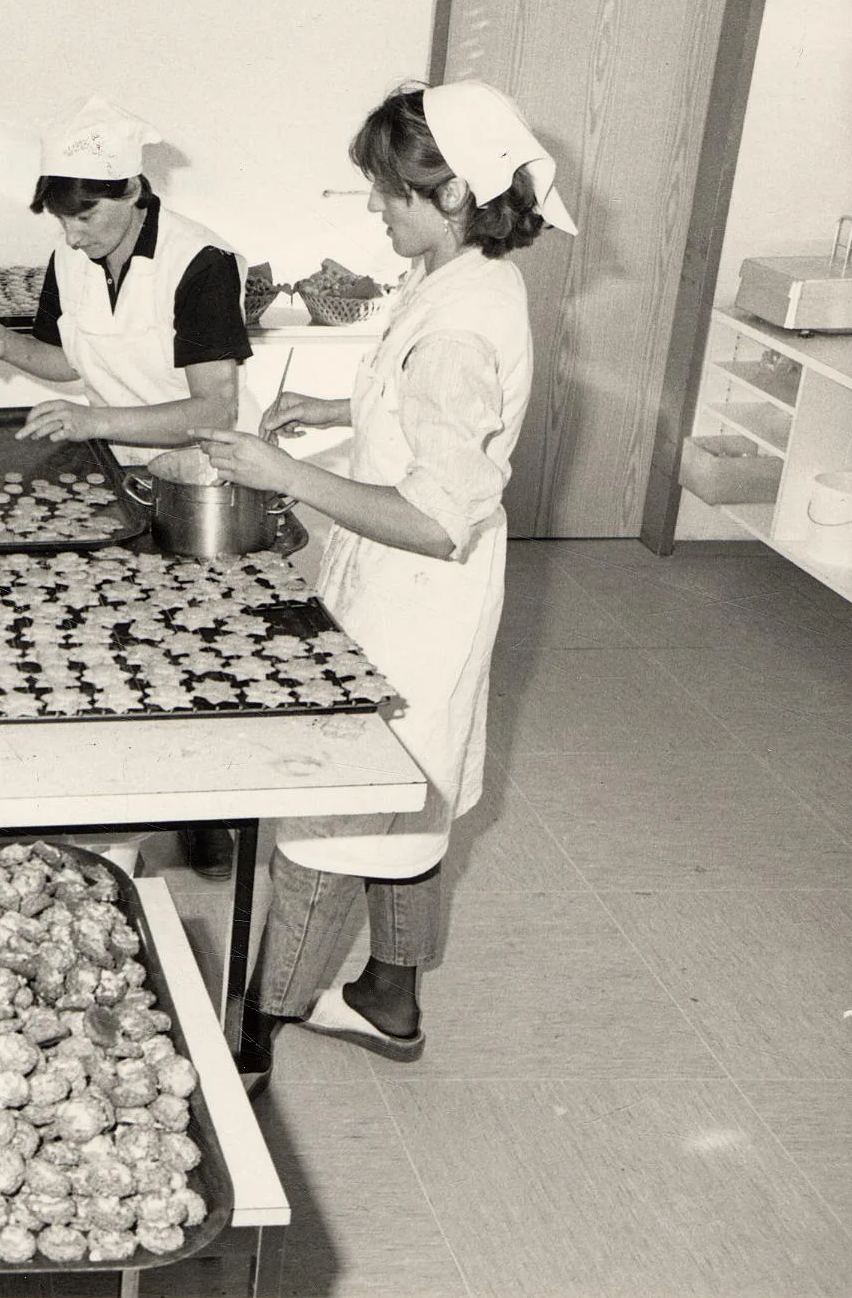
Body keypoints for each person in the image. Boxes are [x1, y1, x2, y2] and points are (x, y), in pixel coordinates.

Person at [195, 79, 578, 1095]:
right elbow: (422, 412)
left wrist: (287, 476)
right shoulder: (467, 277)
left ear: (453, 192)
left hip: (417, 591)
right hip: (426, 596)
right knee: (417, 793)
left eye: (390, 191)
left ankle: (257, 1037)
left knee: (333, 818)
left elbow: (436, 515)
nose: (376, 206)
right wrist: (337, 405)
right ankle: (389, 996)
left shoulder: (457, 327)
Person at [0, 94, 254, 879]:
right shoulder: (70, 258)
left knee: (192, 650)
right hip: (106, 470)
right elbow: (69, 359)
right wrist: (5, 346)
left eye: (86, 215)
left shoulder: (201, 263)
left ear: (134, 192)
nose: (71, 233)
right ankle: (103, 799)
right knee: (103, 638)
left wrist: (94, 420)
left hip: (195, 478)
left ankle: (206, 809)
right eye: (60, 218)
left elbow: (213, 406)